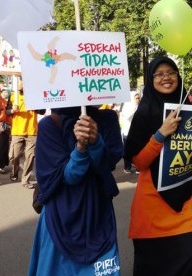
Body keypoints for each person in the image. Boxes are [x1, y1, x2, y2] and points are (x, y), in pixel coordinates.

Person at [124, 57, 192, 276]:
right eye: (159, 74)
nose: (166, 77)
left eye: (171, 72)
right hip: (152, 209)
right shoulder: (144, 113)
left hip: (187, 207)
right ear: (150, 79)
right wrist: (160, 134)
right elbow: (138, 161)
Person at [28, 105, 123, 275]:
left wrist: (96, 141)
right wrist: (80, 148)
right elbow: (69, 176)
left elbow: (108, 163)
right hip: (60, 217)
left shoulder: (108, 118)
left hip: (98, 213)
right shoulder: (50, 125)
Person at [6, 78, 45, 188]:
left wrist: (35, 104)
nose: (19, 84)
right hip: (17, 131)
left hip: (32, 131)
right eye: (18, 81)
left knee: (30, 156)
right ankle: (14, 172)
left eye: (21, 81)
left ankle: (25, 180)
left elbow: (42, 111)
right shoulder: (14, 96)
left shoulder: (35, 95)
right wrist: (12, 111)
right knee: (15, 155)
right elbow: (7, 111)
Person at [120, 91, 140, 174]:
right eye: (136, 98)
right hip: (127, 132)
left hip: (137, 132)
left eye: (139, 98)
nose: (138, 99)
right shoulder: (128, 106)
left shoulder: (140, 106)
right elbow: (127, 116)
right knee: (128, 150)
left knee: (138, 150)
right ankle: (127, 167)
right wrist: (135, 107)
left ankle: (138, 167)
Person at [0, 88, 11, 173]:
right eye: (3, 92)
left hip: (6, 126)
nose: (4, 94)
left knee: (4, 146)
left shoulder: (8, 102)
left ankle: (1, 165)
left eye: (6, 92)